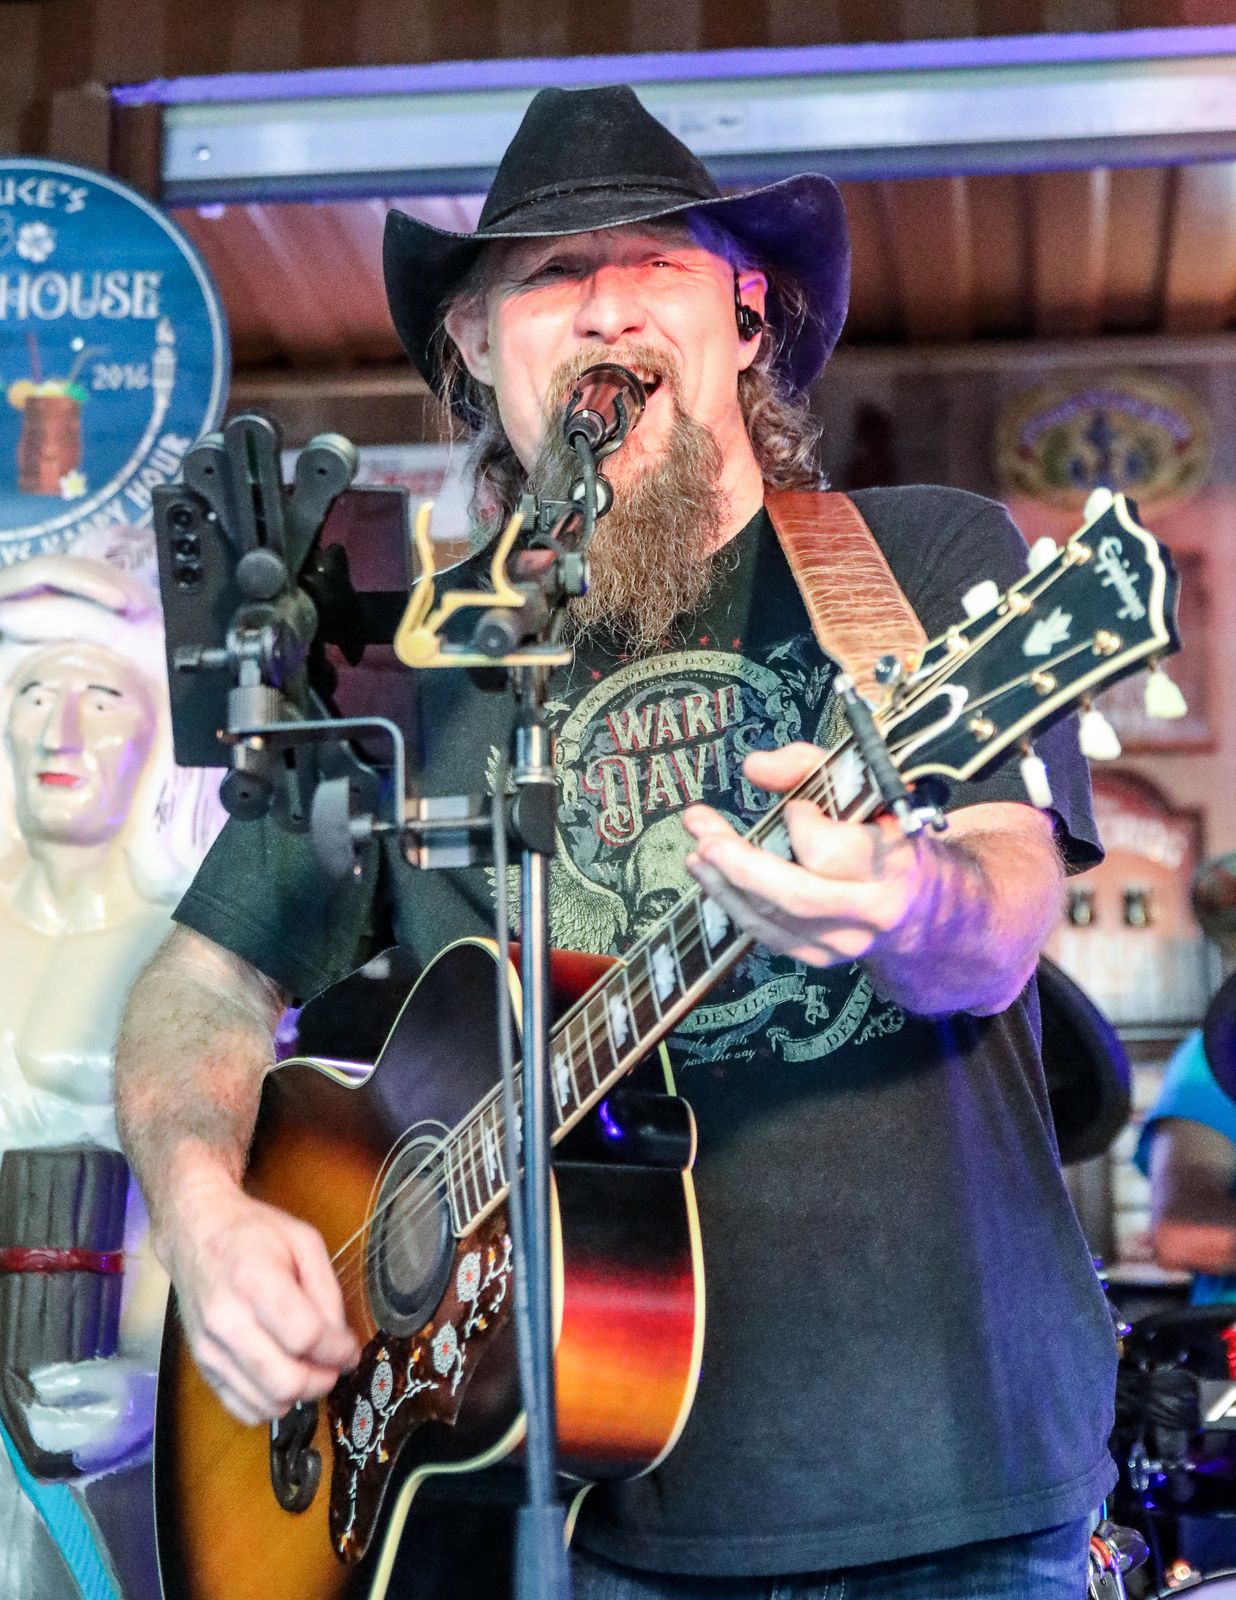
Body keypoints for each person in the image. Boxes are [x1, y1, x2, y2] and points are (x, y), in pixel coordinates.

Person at [114, 85, 1118, 1600]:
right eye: (550, 275)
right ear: (473, 346)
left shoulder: (915, 560)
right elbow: (199, 985)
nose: (607, 306)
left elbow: (1004, 911)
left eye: (657, 261)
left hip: (951, 1490)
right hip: (551, 1518)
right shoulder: (410, 667)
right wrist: (204, 1214)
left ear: (747, 316)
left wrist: (910, 903)